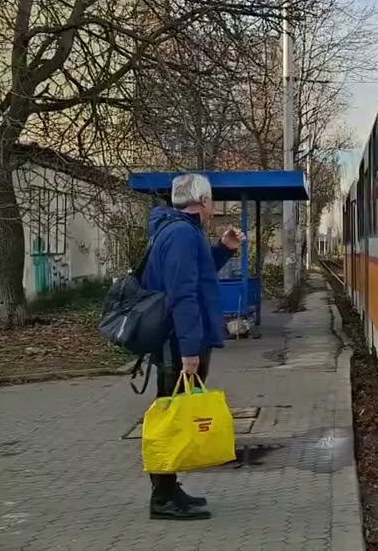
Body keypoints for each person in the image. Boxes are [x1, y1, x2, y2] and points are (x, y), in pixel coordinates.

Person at [141, 173, 243, 520]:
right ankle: (163, 498)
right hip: (179, 341)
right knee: (172, 418)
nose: (214, 207)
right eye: (211, 200)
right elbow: (183, 294)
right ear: (202, 201)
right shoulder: (183, 234)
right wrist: (188, 351)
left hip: (178, 338)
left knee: (175, 413)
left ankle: (169, 489)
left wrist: (223, 250)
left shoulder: (177, 230)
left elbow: (197, 276)